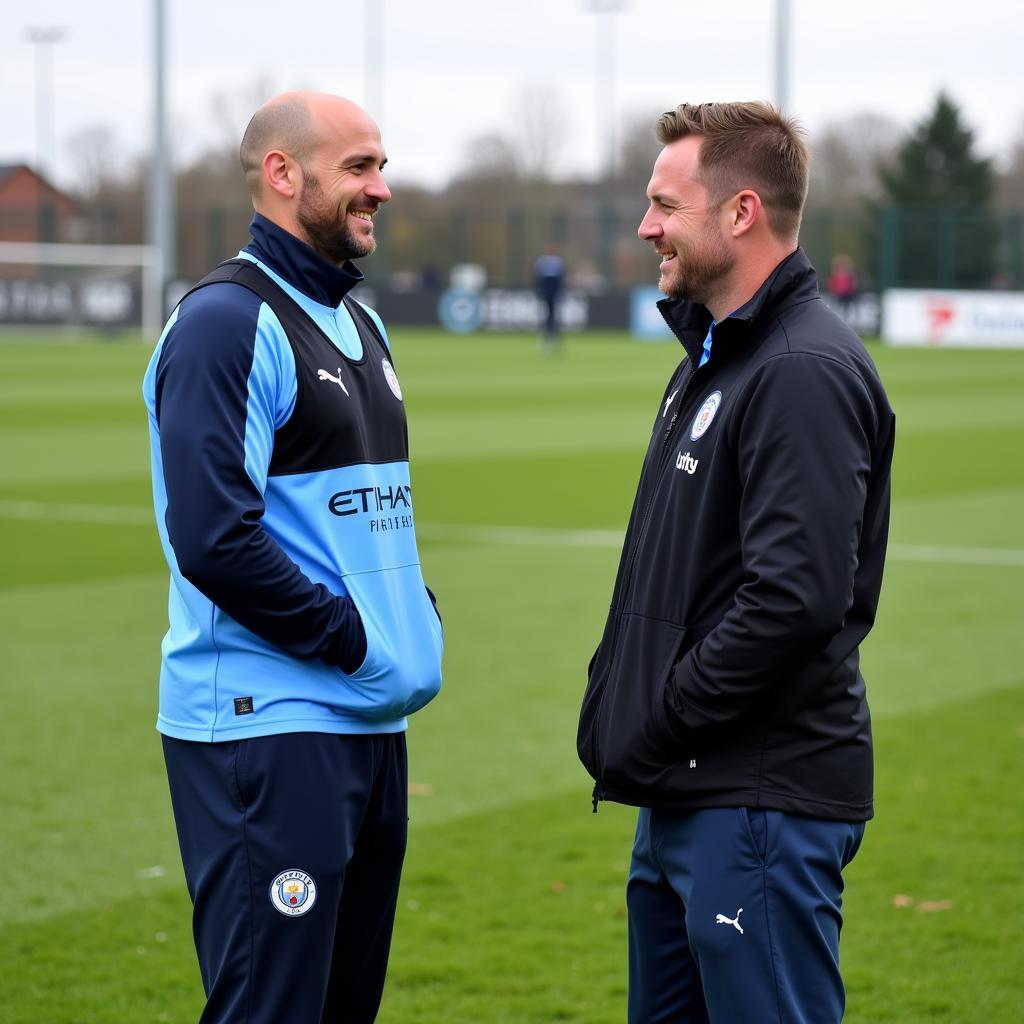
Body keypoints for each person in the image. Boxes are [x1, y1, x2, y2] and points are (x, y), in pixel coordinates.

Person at [576, 101, 895, 1024]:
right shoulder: (713, 358)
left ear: (741, 211)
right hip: (687, 794)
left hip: (757, 801)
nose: (646, 227)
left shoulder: (800, 368)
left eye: (665, 205)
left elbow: (794, 601)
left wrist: (661, 719)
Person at [142, 91, 443, 1024]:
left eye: (380, 166)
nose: (381, 188)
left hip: (367, 722)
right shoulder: (227, 323)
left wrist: (412, 619)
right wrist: (353, 638)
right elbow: (213, 537)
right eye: (358, 167)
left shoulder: (365, 326)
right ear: (282, 173)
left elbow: (374, 517)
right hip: (266, 726)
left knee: (342, 1006)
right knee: (272, 1009)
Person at [533, 245, 566, 350]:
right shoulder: (556, 262)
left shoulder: (542, 262)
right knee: (551, 316)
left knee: (549, 316)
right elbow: (561, 280)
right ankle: (551, 337)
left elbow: (537, 279)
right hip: (550, 293)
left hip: (548, 293)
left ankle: (549, 337)